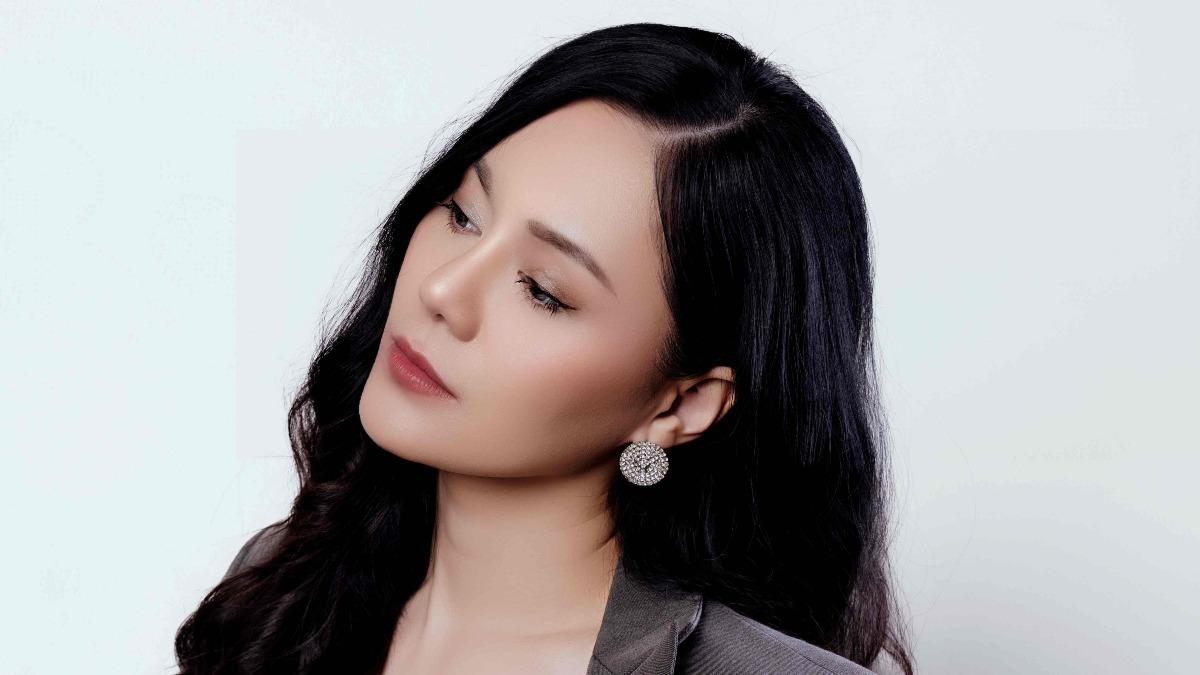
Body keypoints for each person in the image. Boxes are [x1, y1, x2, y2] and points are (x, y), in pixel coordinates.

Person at [175, 22, 914, 675]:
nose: (443, 289)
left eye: (543, 290)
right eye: (463, 214)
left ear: (682, 404)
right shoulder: (279, 591)